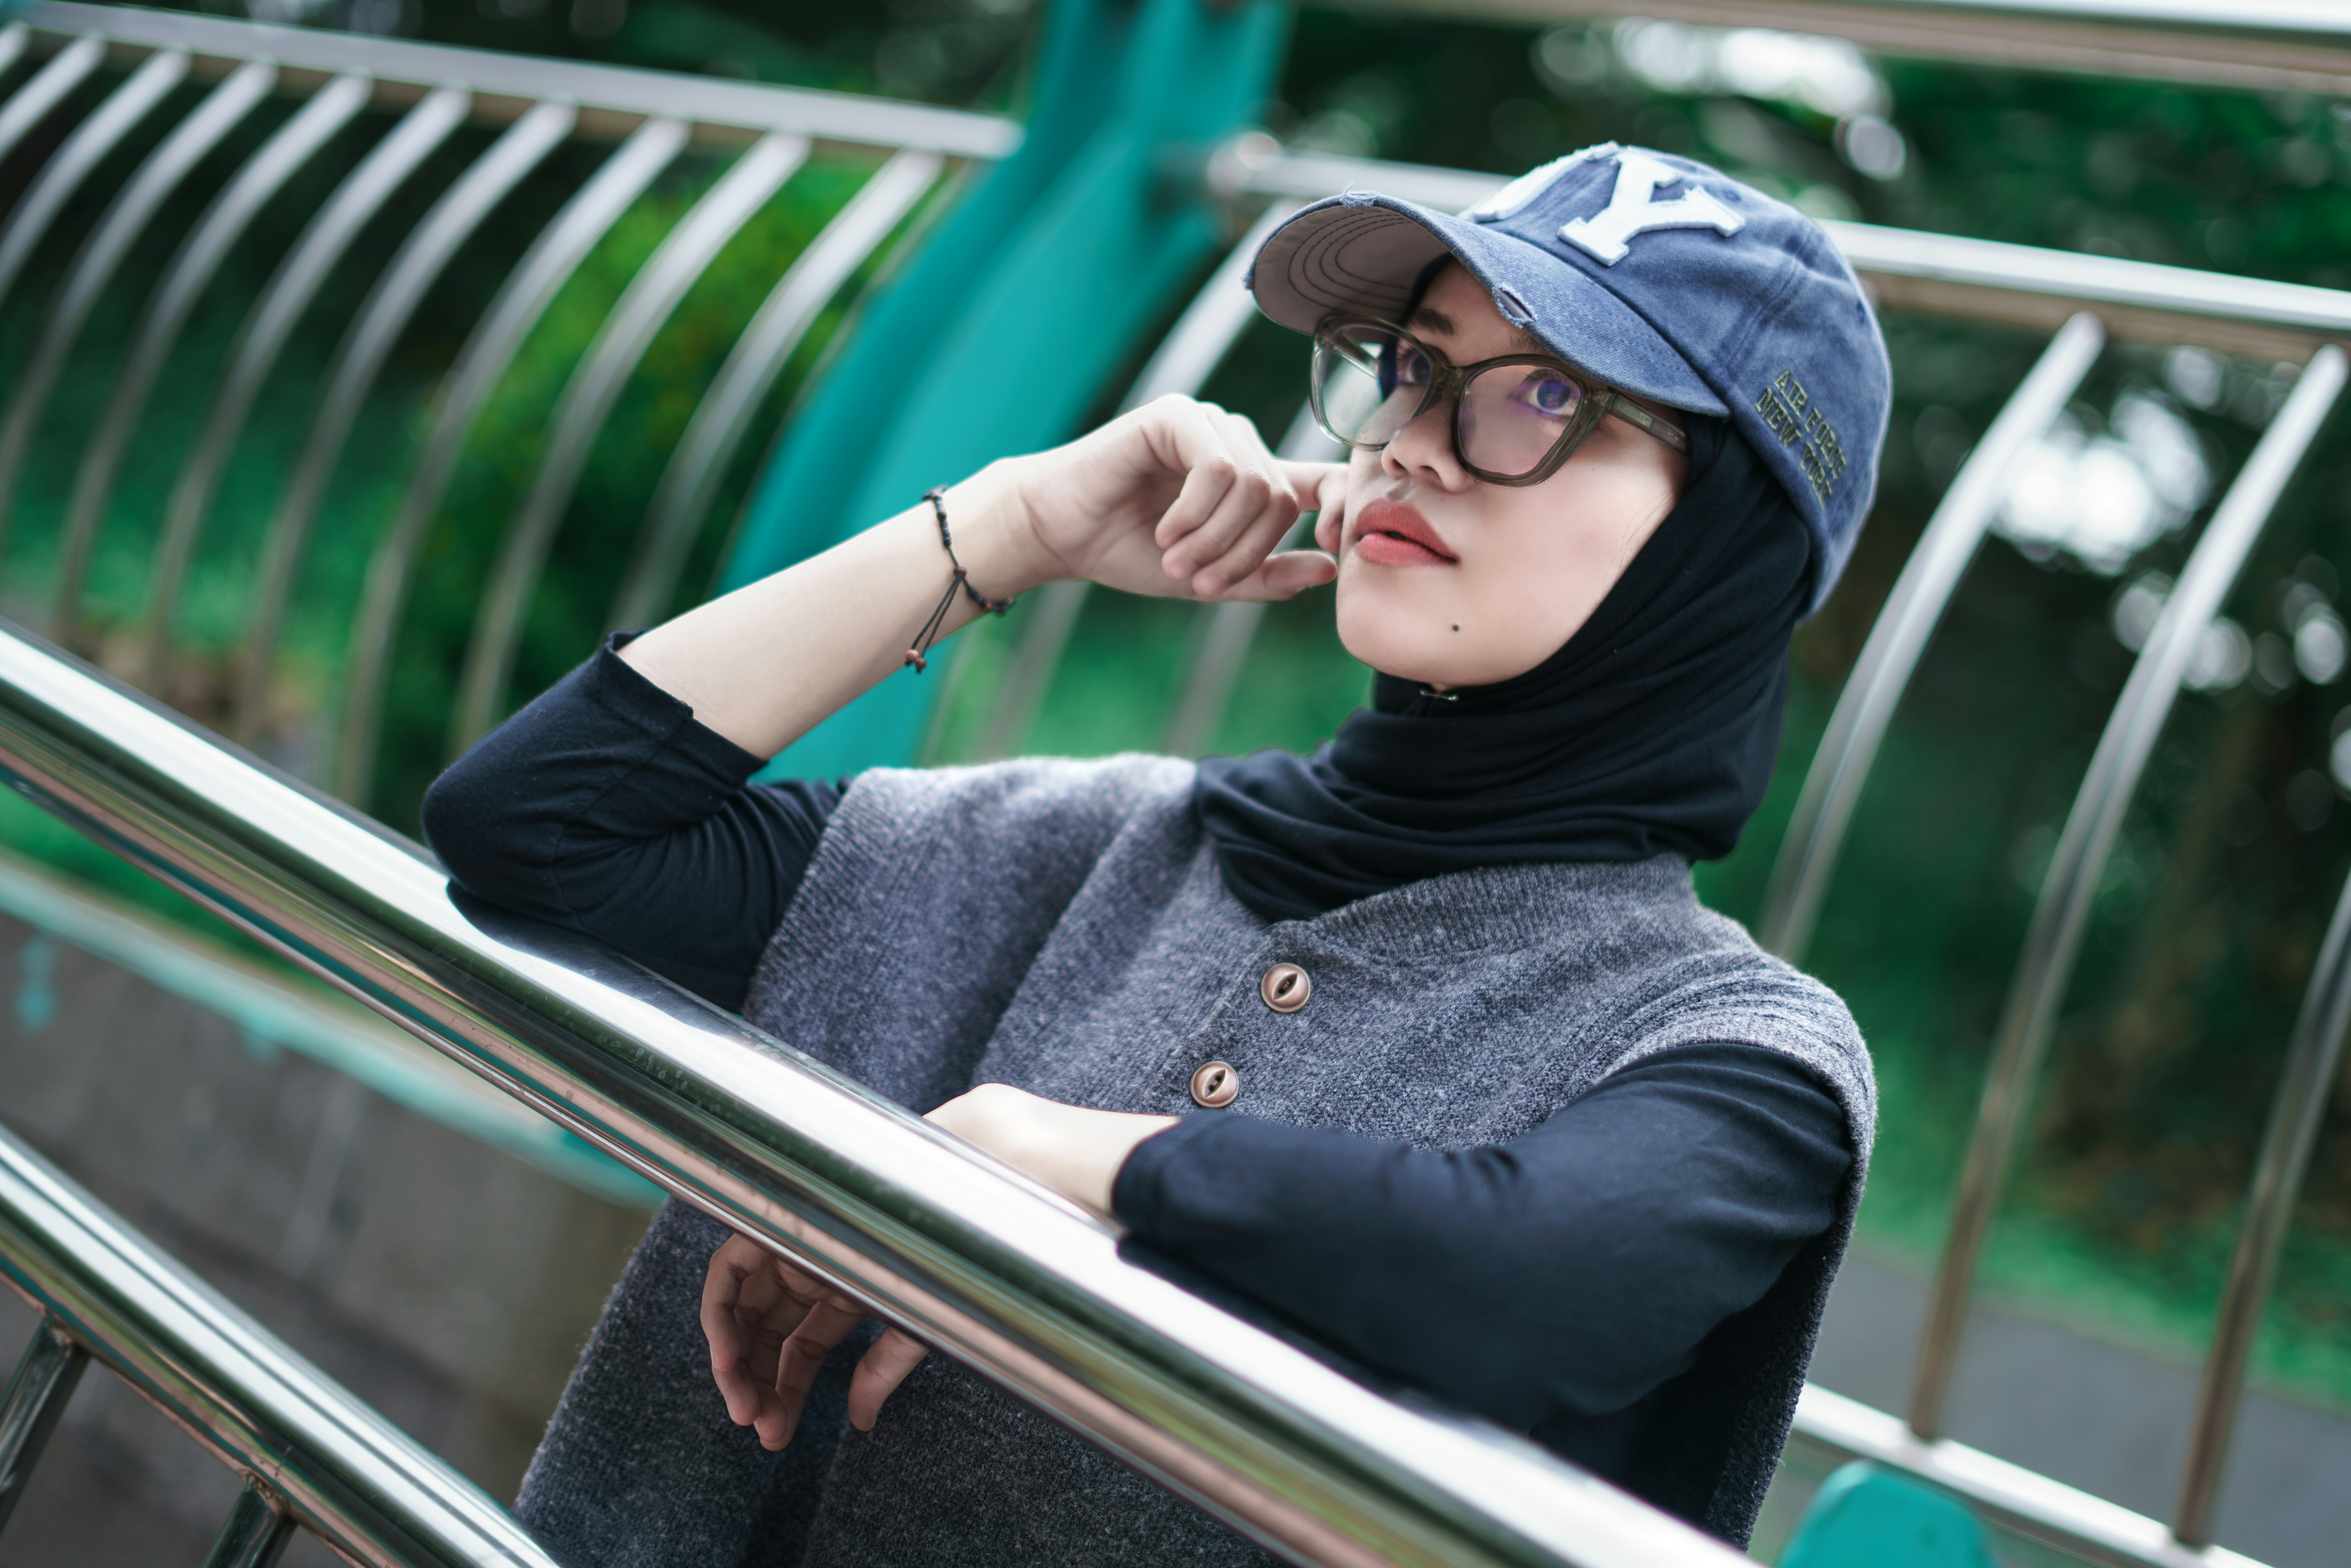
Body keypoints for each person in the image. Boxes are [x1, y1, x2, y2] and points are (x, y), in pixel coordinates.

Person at [424, 142, 1891, 1567]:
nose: (1407, 443)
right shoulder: (1089, 843)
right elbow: (537, 830)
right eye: (1410, 367)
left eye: (1544, 397)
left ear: (1723, 546)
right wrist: (1008, 523)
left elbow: (1542, 1287)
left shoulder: (1728, 1047)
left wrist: (1044, 1156)